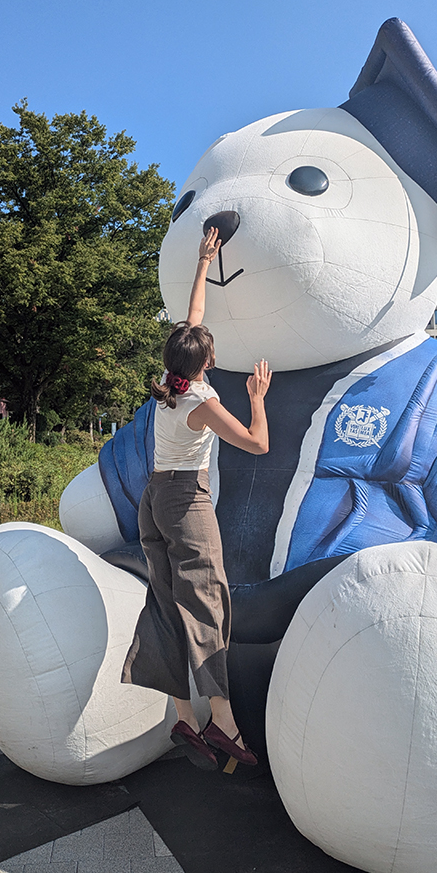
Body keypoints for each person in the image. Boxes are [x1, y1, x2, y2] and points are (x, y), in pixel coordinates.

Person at [121, 225, 272, 770]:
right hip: (186, 502)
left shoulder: (171, 380)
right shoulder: (202, 400)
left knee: (164, 602)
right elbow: (257, 444)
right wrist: (257, 398)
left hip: (153, 500)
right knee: (209, 603)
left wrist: (204, 262)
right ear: (205, 362)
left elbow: (192, 316)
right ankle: (224, 722)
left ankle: (183, 712)